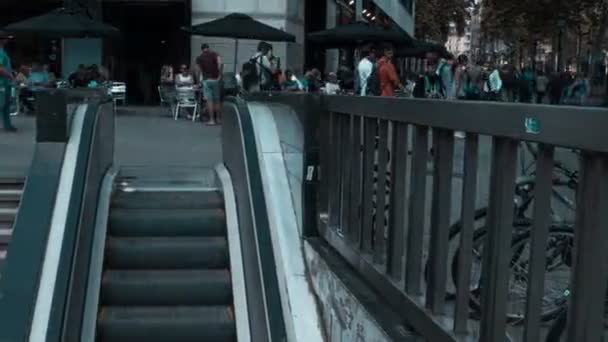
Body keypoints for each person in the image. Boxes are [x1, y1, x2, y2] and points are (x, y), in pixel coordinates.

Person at [196, 43, 223, 125]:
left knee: (209, 101)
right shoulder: (215, 54)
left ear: (202, 49)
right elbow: (220, 64)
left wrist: (198, 82)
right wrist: (220, 76)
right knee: (217, 100)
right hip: (216, 80)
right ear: (208, 48)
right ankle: (218, 119)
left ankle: (212, 120)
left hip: (206, 80)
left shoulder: (199, 58)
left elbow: (197, 70)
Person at [0, 31, 16, 131]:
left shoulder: (3, 51)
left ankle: (7, 125)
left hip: (5, 83)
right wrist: (11, 76)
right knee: (1, 104)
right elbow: (0, 68)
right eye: (5, 39)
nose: (7, 40)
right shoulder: (0, 52)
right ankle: (7, 125)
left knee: (5, 105)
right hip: (1, 83)